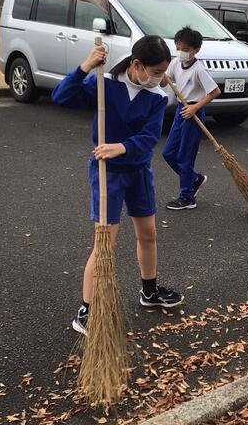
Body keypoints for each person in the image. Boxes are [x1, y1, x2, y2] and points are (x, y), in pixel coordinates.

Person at [51, 36, 184, 337]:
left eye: (165, 71)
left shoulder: (156, 96)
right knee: (104, 243)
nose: (161, 77)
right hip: (106, 172)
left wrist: (121, 147)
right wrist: (86, 66)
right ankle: (86, 311)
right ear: (137, 65)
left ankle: (149, 291)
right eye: (157, 70)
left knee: (148, 233)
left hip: (138, 170)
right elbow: (62, 96)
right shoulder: (106, 84)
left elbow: (149, 139)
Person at [162, 27, 221, 210]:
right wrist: (160, 73)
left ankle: (187, 197)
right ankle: (195, 179)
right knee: (168, 153)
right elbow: (165, 81)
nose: (182, 53)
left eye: (186, 50)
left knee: (185, 157)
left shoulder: (198, 69)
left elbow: (215, 91)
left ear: (196, 50)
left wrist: (195, 107)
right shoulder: (174, 63)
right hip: (181, 109)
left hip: (194, 112)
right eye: (179, 48)